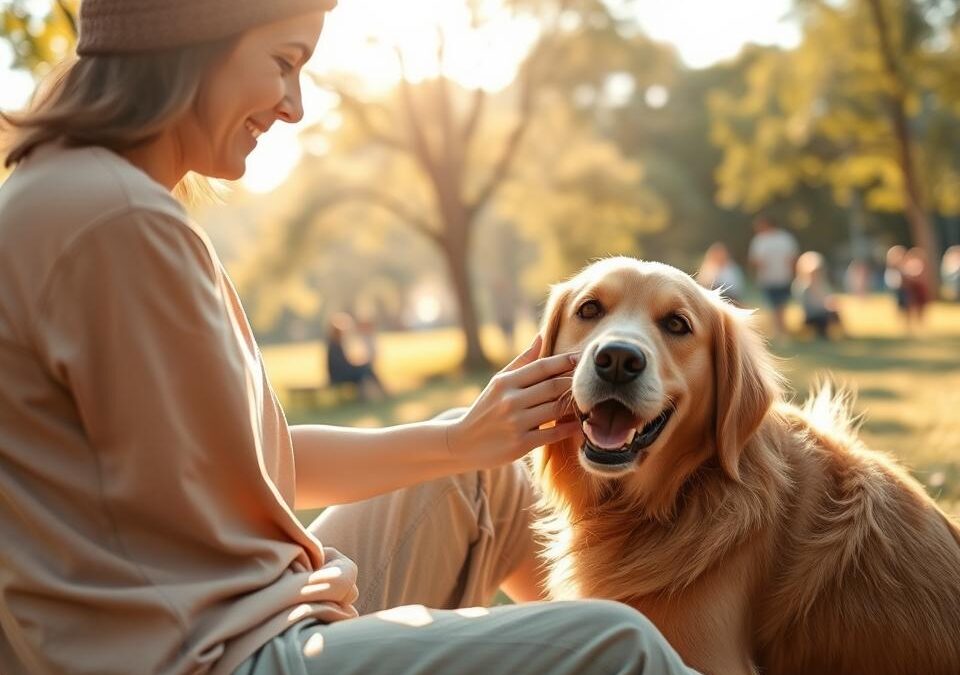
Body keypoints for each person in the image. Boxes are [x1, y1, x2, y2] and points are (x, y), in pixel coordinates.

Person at [0, 2, 697, 674]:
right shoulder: (114, 220)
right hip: (215, 653)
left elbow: (254, 464)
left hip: (232, 622)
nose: (293, 104)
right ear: (190, 40)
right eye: (283, 61)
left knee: (483, 484)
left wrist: (463, 441)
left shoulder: (81, 194)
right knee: (614, 646)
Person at [748, 215, 799, 339]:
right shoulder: (760, 240)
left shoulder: (783, 238)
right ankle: (779, 330)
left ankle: (780, 330)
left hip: (782, 277)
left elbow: (792, 258)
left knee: (781, 304)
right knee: (773, 305)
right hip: (768, 278)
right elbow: (754, 260)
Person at [326, 312, 386, 400]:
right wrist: (355, 366)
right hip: (338, 376)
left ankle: (372, 394)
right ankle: (377, 393)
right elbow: (341, 366)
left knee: (364, 369)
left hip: (341, 373)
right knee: (365, 369)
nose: (343, 334)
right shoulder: (334, 346)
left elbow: (343, 364)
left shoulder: (336, 344)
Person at [792, 251, 843, 340]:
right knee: (826, 315)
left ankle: (838, 332)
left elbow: (828, 297)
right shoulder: (803, 286)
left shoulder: (822, 284)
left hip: (822, 313)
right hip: (812, 316)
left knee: (833, 311)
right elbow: (808, 306)